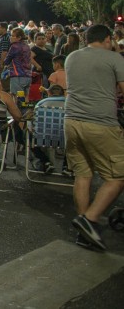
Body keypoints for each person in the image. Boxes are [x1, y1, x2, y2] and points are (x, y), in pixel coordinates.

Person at [63, 24, 124, 252]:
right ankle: (90, 218)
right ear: (108, 39)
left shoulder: (72, 57)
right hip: (100, 124)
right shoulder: (114, 58)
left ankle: (85, 232)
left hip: (71, 122)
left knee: (83, 174)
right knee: (118, 176)